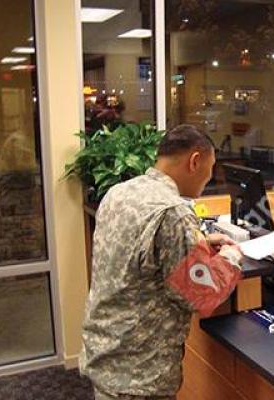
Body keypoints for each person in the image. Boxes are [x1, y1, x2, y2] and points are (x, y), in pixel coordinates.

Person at [80, 124, 243, 400]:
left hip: (106, 353)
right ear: (195, 161)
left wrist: (198, 245)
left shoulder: (120, 192)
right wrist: (231, 257)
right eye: (210, 168)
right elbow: (202, 295)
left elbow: (144, 257)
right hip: (139, 375)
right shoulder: (173, 212)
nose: (210, 178)